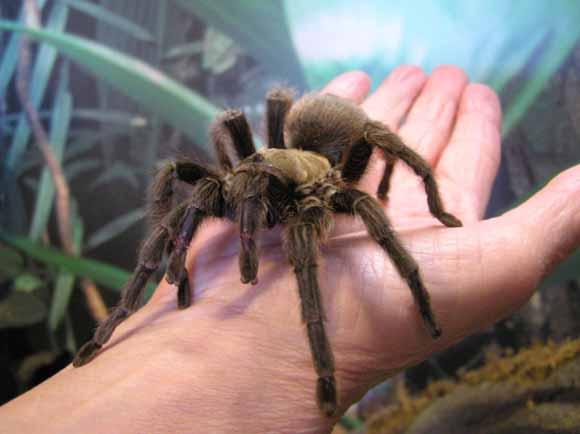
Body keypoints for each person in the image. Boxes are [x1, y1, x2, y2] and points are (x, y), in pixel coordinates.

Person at [1, 66, 579, 434]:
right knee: (185, 182)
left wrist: (425, 215)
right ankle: (115, 324)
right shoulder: (239, 173)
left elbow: (378, 164)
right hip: (271, 167)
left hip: (313, 176)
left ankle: (321, 366)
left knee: (318, 235)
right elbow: (213, 160)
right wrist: (177, 262)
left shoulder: (327, 191)